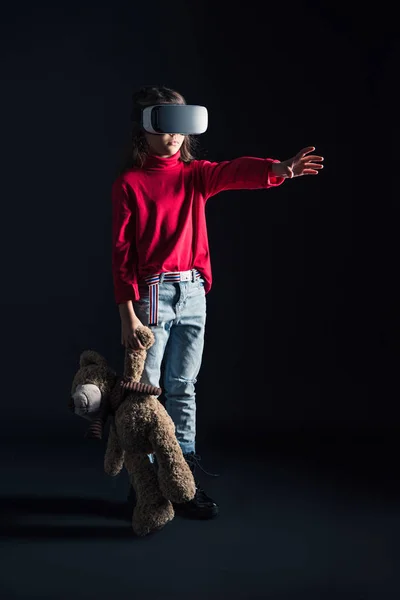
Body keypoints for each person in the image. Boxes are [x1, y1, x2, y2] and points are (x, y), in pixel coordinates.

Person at [111, 85, 324, 520]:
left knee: (183, 387)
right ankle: (147, 480)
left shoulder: (196, 175)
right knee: (146, 393)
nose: (173, 136)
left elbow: (233, 171)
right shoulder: (129, 183)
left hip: (193, 292)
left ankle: (183, 473)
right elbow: (121, 255)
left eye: (180, 125)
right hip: (152, 292)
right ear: (144, 128)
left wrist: (278, 169)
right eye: (163, 124)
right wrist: (127, 315)